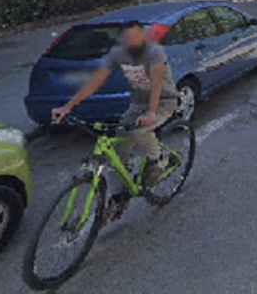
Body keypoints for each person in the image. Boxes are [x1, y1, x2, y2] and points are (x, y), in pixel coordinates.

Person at [52, 20, 179, 183]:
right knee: (120, 144)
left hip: (164, 100)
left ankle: (160, 160)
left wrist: (151, 113)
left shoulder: (154, 51)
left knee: (139, 131)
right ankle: (124, 187)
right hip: (139, 103)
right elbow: (96, 81)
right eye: (128, 39)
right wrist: (67, 107)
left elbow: (156, 82)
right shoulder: (118, 54)